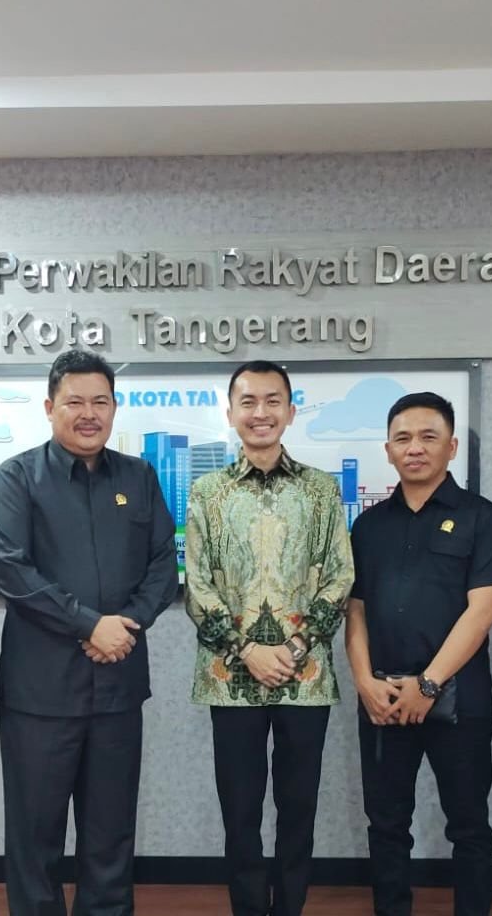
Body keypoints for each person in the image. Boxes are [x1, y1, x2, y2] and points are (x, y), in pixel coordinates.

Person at [0, 350, 179, 916]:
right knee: (35, 838)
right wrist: (90, 624)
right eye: (75, 402)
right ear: (50, 408)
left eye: (100, 401)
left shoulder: (139, 477)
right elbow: (11, 570)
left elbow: (163, 565)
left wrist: (126, 624)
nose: (88, 413)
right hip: (40, 695)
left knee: (111, 836)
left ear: (115, 408)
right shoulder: (17, 477)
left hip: (118, 688)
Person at [185, 360, 355, 916]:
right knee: (240, 812)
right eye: (249, 402)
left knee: (298, 808)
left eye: (272, 401)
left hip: (305, 679)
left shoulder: (321, 490)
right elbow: (197, 585)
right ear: (231, 412)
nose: (261, 413)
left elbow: (340, 577)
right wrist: (247, 651)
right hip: (230, 679)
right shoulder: (208, 492)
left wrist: (295, 649)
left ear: (290, 410)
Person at [346, 392, 492, 916]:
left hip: (459, 701)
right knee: (386, 825)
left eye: (428, 436)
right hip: (383, 699)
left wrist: (429, 683)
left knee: (469, 825)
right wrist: (364, 682)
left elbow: (483, 611)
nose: (414, 447)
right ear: (388, 450)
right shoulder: (368, 525)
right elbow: (356, 611)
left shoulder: (483, 518)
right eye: (402, 438)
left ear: (452, 446)